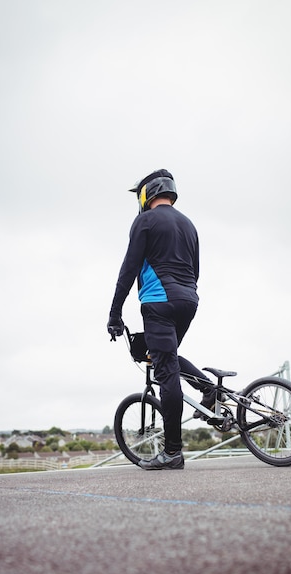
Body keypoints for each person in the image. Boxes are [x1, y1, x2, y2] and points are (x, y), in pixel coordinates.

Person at [107, 169, 215, 470]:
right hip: (188, 301)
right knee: (165, 356)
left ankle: (172, 452)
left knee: (166, 374)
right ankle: (208, 388)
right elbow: (195, 270)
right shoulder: (189, 224)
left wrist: (115, 313)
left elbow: (128, 269)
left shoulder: (144, 221)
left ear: (146, 194)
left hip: (158, 303)